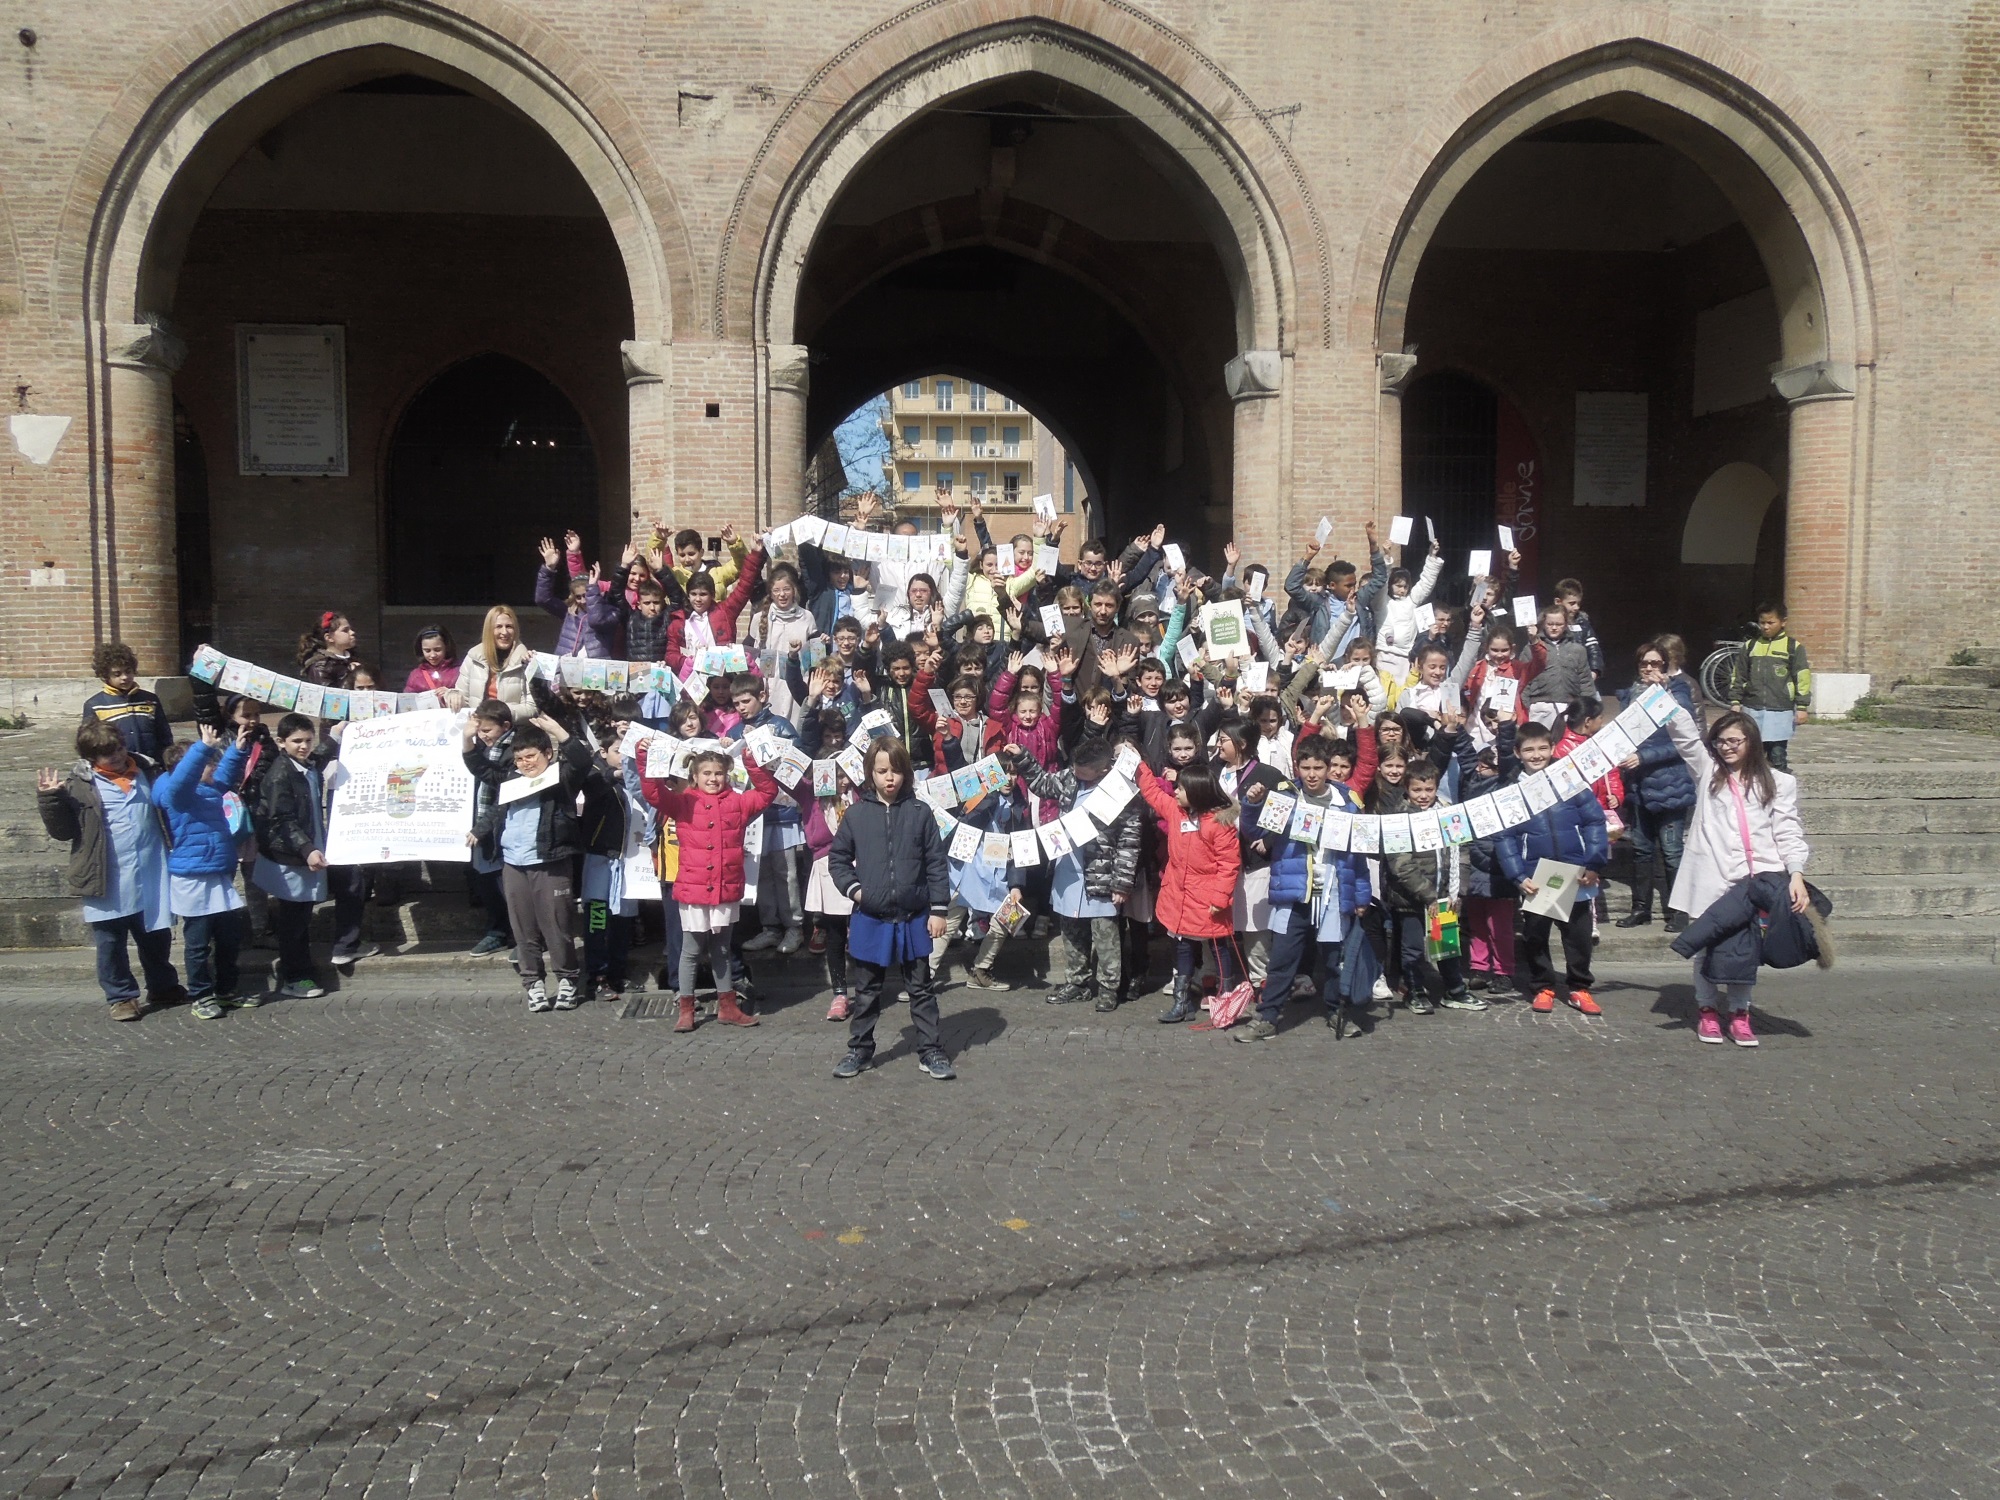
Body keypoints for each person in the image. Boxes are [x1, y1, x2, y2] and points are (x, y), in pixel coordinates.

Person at [1661, 708, 1812, 1047]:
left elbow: (1788, 830)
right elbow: (1685, 735)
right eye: (1720, 741)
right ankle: (1707, 1011)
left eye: (1734, 741)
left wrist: (1796, 874)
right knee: (1704, 945)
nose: (1726, 747)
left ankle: (1740, 1013)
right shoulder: (1708, 771)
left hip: (1753, 881)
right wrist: (1663, 693)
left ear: (1751, 742)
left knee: (1745, 949)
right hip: (1709, 874)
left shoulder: (1779, 782)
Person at [827, 738, 956, 1080]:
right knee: (867, 991)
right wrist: (856, 892)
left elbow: (936, 863)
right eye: (882, 771)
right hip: (871, 916)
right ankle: (860, 1050)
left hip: (914, 916)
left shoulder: (920, 813)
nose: (890, 778)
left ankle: (930, 1050)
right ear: (870, 773)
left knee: (921, 989)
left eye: (896, 771)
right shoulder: (856, 814)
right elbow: (838, 859)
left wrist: (939, 910)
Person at [38, 719, 182, 1020]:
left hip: (150, 868)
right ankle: (121, 996)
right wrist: (52, 799)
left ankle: (163, 985)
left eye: (118, 749)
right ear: (92, 758)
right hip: (106, 873)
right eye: (107, 754)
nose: (116, 757)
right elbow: (63, 831)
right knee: (110, 940)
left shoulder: (147, 771)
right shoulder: (79, 785)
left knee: (156, 935)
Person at [638, 745, 781, 1032]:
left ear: (727, 775)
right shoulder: (683, 802)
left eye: (719, 773)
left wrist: (752, 761)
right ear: (694, 776)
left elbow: (767, 792)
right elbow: (653, 794)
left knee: (722, 949)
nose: (713, 779)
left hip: (725, 889)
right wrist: (646, 761)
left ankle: (728, 1007)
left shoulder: (738, 802)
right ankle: (686, 1009)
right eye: (706, 773)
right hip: (693, 890)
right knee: (690, 951)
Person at [1240, 733, 1371, 1040]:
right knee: (1283, 959)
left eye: (1318, 768)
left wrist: (1361, 894)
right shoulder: (1286, 797)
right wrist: (1252, 804)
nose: (1312, 775)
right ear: (1297, 767)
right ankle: (1268, 1017)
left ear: (1329, 769)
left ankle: (1337, 1012)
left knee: (1333, 960)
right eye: (1306, 768)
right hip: (1294, 893)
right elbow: (1253, 829)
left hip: (1333, 894)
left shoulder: (1347, 802)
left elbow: (1358, 853)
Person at [465, 718, 598, 1012]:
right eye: (520, 758)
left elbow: (581, 760)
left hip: (550, 861)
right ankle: (533, 984)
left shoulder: (560, 777)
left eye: (531, 757)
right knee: (523, 928)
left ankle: (567, 980)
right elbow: (483, 770)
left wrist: (558, 732)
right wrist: (467, 741)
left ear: (546, 755)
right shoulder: (511, 780)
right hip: (513, 862)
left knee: (557, 924)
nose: (525, 764)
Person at [1011, 738, 1143, 1011]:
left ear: (1102, 770)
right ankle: (1077, 982)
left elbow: (1130, 841)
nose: (1075, 772)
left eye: (1082, 770)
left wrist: (1121, 883)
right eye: (1074, 768)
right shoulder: (1070, 778)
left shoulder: (1123, 793)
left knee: (1105, 936)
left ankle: (1109, 986)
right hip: (1068, 870)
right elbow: (1043, 783)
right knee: (1071, 933)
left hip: (1102, 872)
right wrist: (1023, 756)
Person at [1494, 720, 1609, 1016]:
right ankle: (1543, 986)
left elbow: (1594, 821)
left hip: (1575, 873)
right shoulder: (1511, 790)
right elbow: (1505, 836)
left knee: (1579, 937)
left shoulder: (1569, 781)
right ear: (1517, 752)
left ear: (1553, 748)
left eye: (1542, 748)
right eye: (1529, 749)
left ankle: (1579, 987)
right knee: (1535, 936)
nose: (1536, 755)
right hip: (1538, 876)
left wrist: (1593, 862)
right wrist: (1518, 876)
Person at [158, 721, 254, 1019]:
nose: (213, 766)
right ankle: (201, 994)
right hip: (192, 877)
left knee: (228, 938)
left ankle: (227, 990)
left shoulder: (210, 789)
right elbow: (184, 778)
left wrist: (238, 750)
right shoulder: (178, 795)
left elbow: (225, 775)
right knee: (198, 943)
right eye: (207, 763)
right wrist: (202, 749)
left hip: (218, 873)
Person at [1136, 758, 1242, 1024]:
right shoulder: (1176, 811)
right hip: (1179, 893)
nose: (1175, 792)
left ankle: (1224, 1000)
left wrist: (1219, 898)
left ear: (1196, 792)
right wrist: (1137, 765)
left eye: (1181, 789)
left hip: (1207, 896)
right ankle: (1181, 1001)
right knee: (1181, 945)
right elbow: (1152, 792)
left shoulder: (1219, 823)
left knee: (1219, 947)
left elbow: (1228, 864)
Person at [1380, 760, 1479, 1013]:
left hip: (1445, 894)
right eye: (1417, 790)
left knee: (1446, 947)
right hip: (1411, 898)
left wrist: (1459, 890)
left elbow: (1463, 852)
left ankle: (1454, 990)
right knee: (1412, 948)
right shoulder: (1397, 817)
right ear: (1406, 788)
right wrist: (1428, 895)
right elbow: (1400, 864)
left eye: (1429, 790)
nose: (1423, 796)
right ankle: (1414, 990)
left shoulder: (1448, 811)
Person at [251, 713, 332, 1001]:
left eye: (308, 740)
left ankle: (301, 969)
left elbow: (318, 759)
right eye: (297, 741)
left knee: (300, 918)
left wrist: (335, 737)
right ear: (281, 742)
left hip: (302, 853)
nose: (304, 746)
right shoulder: (279, 775)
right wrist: (306, 848)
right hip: (290, 858)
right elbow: (282, 819)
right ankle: (295, 976)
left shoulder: (304, 764)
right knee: (293, 921)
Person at [1616, 645, 1696, 931]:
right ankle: (1641, 909)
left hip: (1670, 784)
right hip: (1638, 786)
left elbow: (1684, 741)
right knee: (1641, 850)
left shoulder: (1679, 691)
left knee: (1672, 851)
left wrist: (1644, 756)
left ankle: (1679, 911)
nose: (1650, 669)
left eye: (1656, 663)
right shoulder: (1630, 695)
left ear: (1665, 665)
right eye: (1644, 664)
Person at [462, 700, 517, 957]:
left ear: (505, 726)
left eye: (487, 731)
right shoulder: (483, 748)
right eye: (479, 731)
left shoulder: (515, 751)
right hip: (481, 831)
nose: (482, 736)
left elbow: (506, 797)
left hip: (503, 829)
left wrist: (483, 826)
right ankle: (496, 931)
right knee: (487, 885)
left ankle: (522, 937)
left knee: (508, 888)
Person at [1731, 601, 1812, 771]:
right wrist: (1735, 701)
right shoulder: (1751, 646)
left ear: (1783, 622)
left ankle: (1780, 789)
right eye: (1762, 623)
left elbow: (1802, 677)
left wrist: (1802, 706)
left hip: (1780, 709)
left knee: (1777, 754)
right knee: (1752, 754)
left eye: (1770, 622)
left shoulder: (1793, 648)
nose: (1766, 627)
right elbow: (1739, 675)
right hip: (1753, 707)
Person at [81, 641, 172, 760]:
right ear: (105, 676)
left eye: (128, 671)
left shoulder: (150, 700)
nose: (124, 677)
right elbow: (89, 743)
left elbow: (164, 734)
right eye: (117, 674)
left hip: (152, 766)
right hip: (118, 766)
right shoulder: (95, 705)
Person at [456, 605, 535, 708]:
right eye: (498, 627)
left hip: (511, 722)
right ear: (489, 630)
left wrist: (498, 714)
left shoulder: (526, 660)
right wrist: (453, 696)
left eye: (509, 626)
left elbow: (532, 708)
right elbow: (463, 699)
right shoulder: (473, 657)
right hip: (478, 721)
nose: (504, 632)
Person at [298, 612, 358, 688]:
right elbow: (329, 696)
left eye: (350, 629)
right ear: (329, 637)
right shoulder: (321, 666)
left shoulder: (354, 659)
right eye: (345, 630)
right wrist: (351, 675)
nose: (352, 632)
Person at [403, 626, 459, 699]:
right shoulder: (415, 675)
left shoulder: (459, 671)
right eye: (427, 651)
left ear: (447, 647)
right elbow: (408, 702)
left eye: (437, 650)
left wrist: (451, 693)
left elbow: (469, 697)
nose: (432, 655)